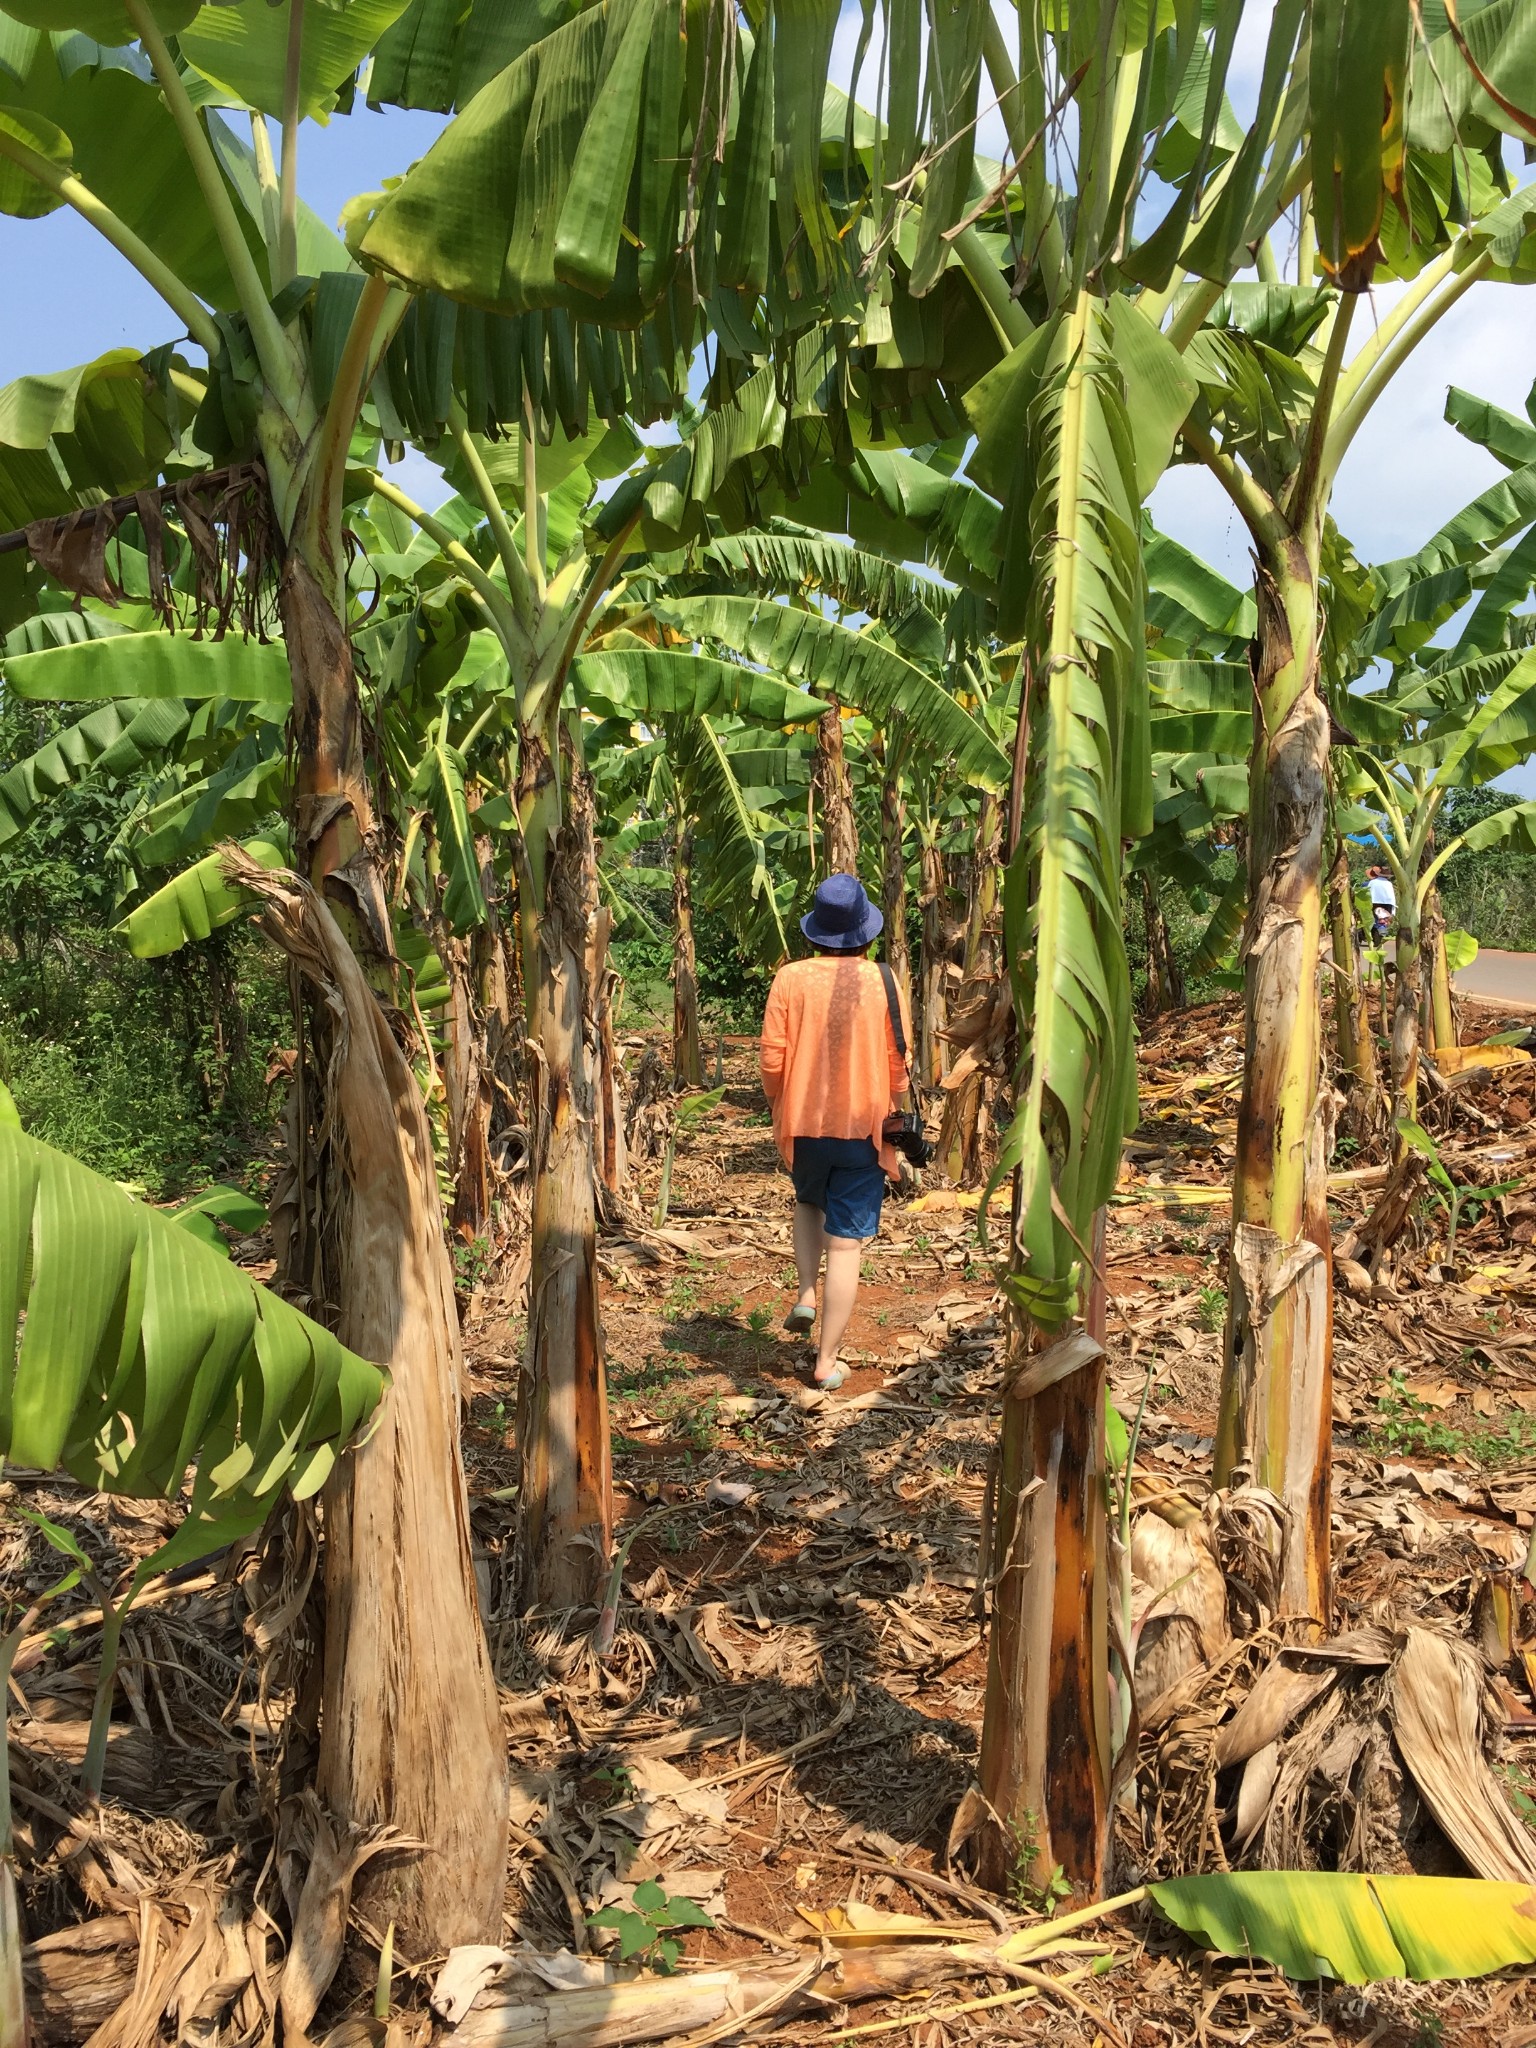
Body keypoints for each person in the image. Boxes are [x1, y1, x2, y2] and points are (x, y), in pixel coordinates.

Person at [760, 872, 913, 1391]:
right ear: (865, 930)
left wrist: (783, 1101)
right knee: (846, 1246)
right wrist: (895, 1107)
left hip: (804, 1125)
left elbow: (772, 1061)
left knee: (808, 1203)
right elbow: (898, 1063)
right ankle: (825, 1362)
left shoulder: (789, 978)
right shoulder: (884, 980)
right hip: (862, 1128)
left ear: (816, 930)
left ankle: (804, 1292)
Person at [1366, 864, 1396, 938]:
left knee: (1373, 918)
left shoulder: (1372, 882)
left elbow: (1367, 893)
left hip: (1374, 902)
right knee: (1385, 919)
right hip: (1388, 904)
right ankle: (1383, 930)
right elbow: (1391, 897)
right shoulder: (1389, 884)